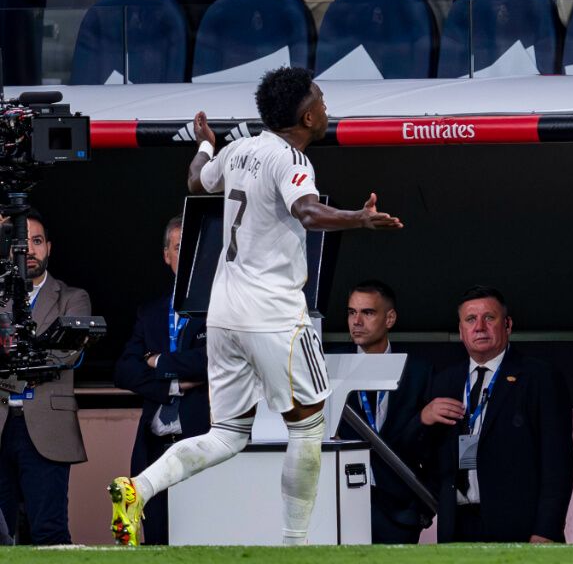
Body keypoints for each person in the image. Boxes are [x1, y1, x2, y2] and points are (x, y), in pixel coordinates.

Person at [107, 66, 403, 547]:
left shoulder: (240, 149)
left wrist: (206, 143)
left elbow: (198, 183)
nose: (327, 108)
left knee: (227, 434)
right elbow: (306, 210)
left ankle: (137, 488)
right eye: (322, 101)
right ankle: (295, 543)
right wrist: (359, 219)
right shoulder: (291, 159)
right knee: (308, 426)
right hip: (275, 314)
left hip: (223, 314)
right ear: (307, 117)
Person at [420, 286, 573, 543]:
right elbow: (423, 455)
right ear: (461, 331)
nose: (479, 326)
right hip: (457, 526)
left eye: (489, 318)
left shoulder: (539, 377)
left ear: (508, 324)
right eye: (470, 319)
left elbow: (558, 463)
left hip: (521, 529)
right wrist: (423, 420)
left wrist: (547, 529)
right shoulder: (443, 382)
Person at [113, 215, 210, 545]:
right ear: (166, 254)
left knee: (199, 538)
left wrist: (158, 361)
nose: (187, 254)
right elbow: (124, 369)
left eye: (195, 247)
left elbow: (209, 362)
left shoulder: (220, 308)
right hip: (154, 449)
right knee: (156, 540)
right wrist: (171, 383)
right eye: (180, 247)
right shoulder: (151, 312)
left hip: (199, 445)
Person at [0, 209, 91, 545]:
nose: (30, 250)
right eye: (22, 243)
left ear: (49, 247)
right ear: (9, 248)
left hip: (45, 426)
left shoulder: (72, 297)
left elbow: (68, 353)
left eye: (37, 241)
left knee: (49, 532)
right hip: (2, 420)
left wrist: (10, 360)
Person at [337, 280, 434, 544]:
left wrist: (421, 507)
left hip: (400, 512)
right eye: (351, 312)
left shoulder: (418, 372)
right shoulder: (329, 368)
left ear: (389, 318)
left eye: (367, 313)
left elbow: (431, 446)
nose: (356, 321)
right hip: (339, 508)